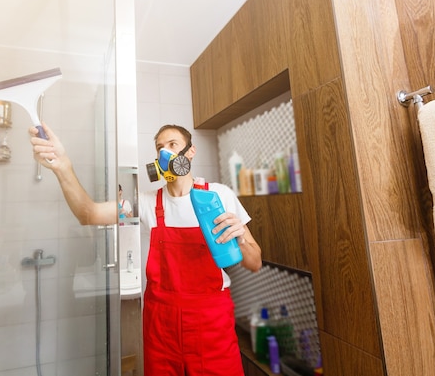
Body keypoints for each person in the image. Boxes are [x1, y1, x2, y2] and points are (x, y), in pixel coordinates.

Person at [29, 123, 262, 376]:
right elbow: (88, 213)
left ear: (190, 152)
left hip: (211, 321)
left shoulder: (219, 196)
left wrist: (239, 237)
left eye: (172, 145)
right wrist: (63, 166)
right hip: (161, 325)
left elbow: (255, 262)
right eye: (160, 148)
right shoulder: (148, 202)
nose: (165, 153)